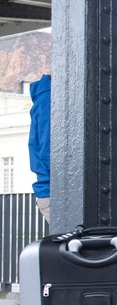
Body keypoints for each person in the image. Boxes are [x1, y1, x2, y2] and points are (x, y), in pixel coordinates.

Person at [27, 74, 51, 224]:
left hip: (49, 190)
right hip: (54, 191)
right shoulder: (49, 99)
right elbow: (49, 151)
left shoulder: (45, 98)